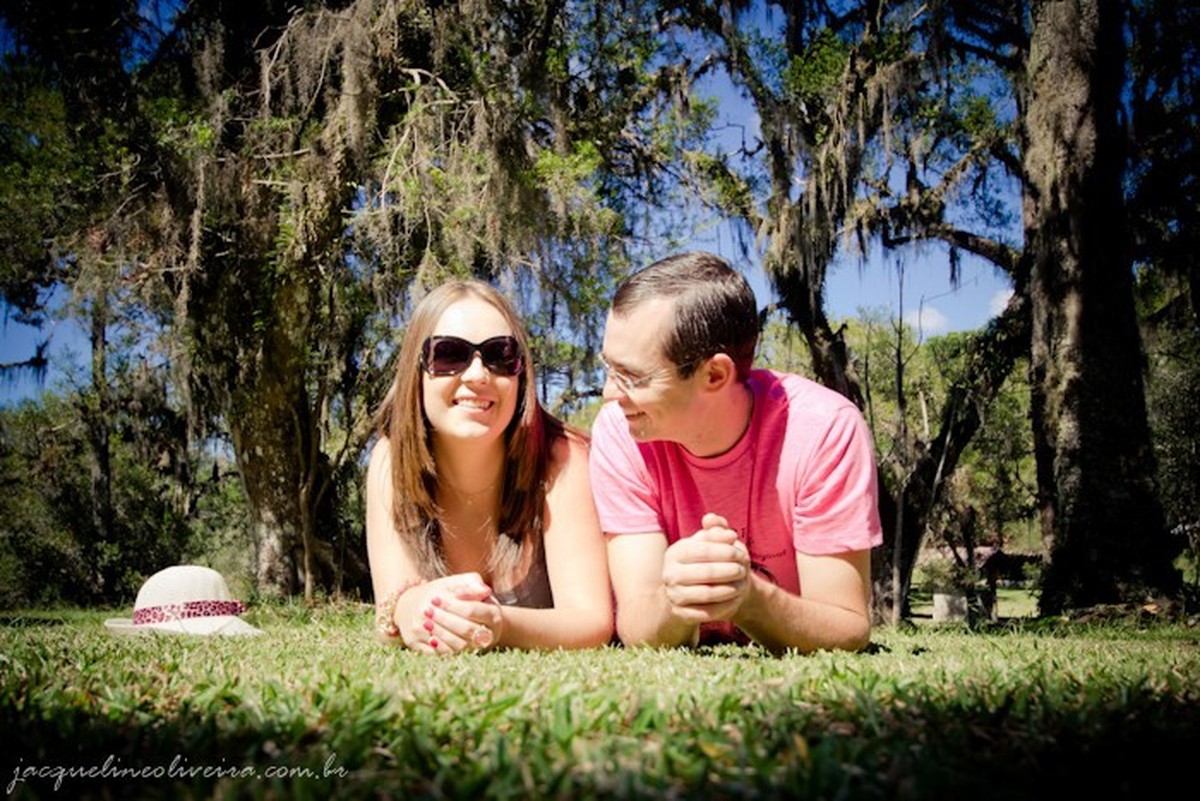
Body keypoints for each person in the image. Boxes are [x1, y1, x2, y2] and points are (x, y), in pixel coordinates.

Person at [590, 252, 882, 654]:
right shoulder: (620, 431)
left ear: (715, 375)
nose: (610, 393)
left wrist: (748, 598)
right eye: (609, 368)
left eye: (632, 377)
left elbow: (847, 628)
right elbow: (638, 626)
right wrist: (674, 600)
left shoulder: (825, 430)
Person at [366, 279, 612, 654]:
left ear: (521, 374)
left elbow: (591, 621)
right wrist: (409, 610)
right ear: (415, 371)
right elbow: (392, 604)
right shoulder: (390, 460)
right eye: (448, 355)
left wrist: (499, 625)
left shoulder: (562, 461)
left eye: (500, 355)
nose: (478, 375)